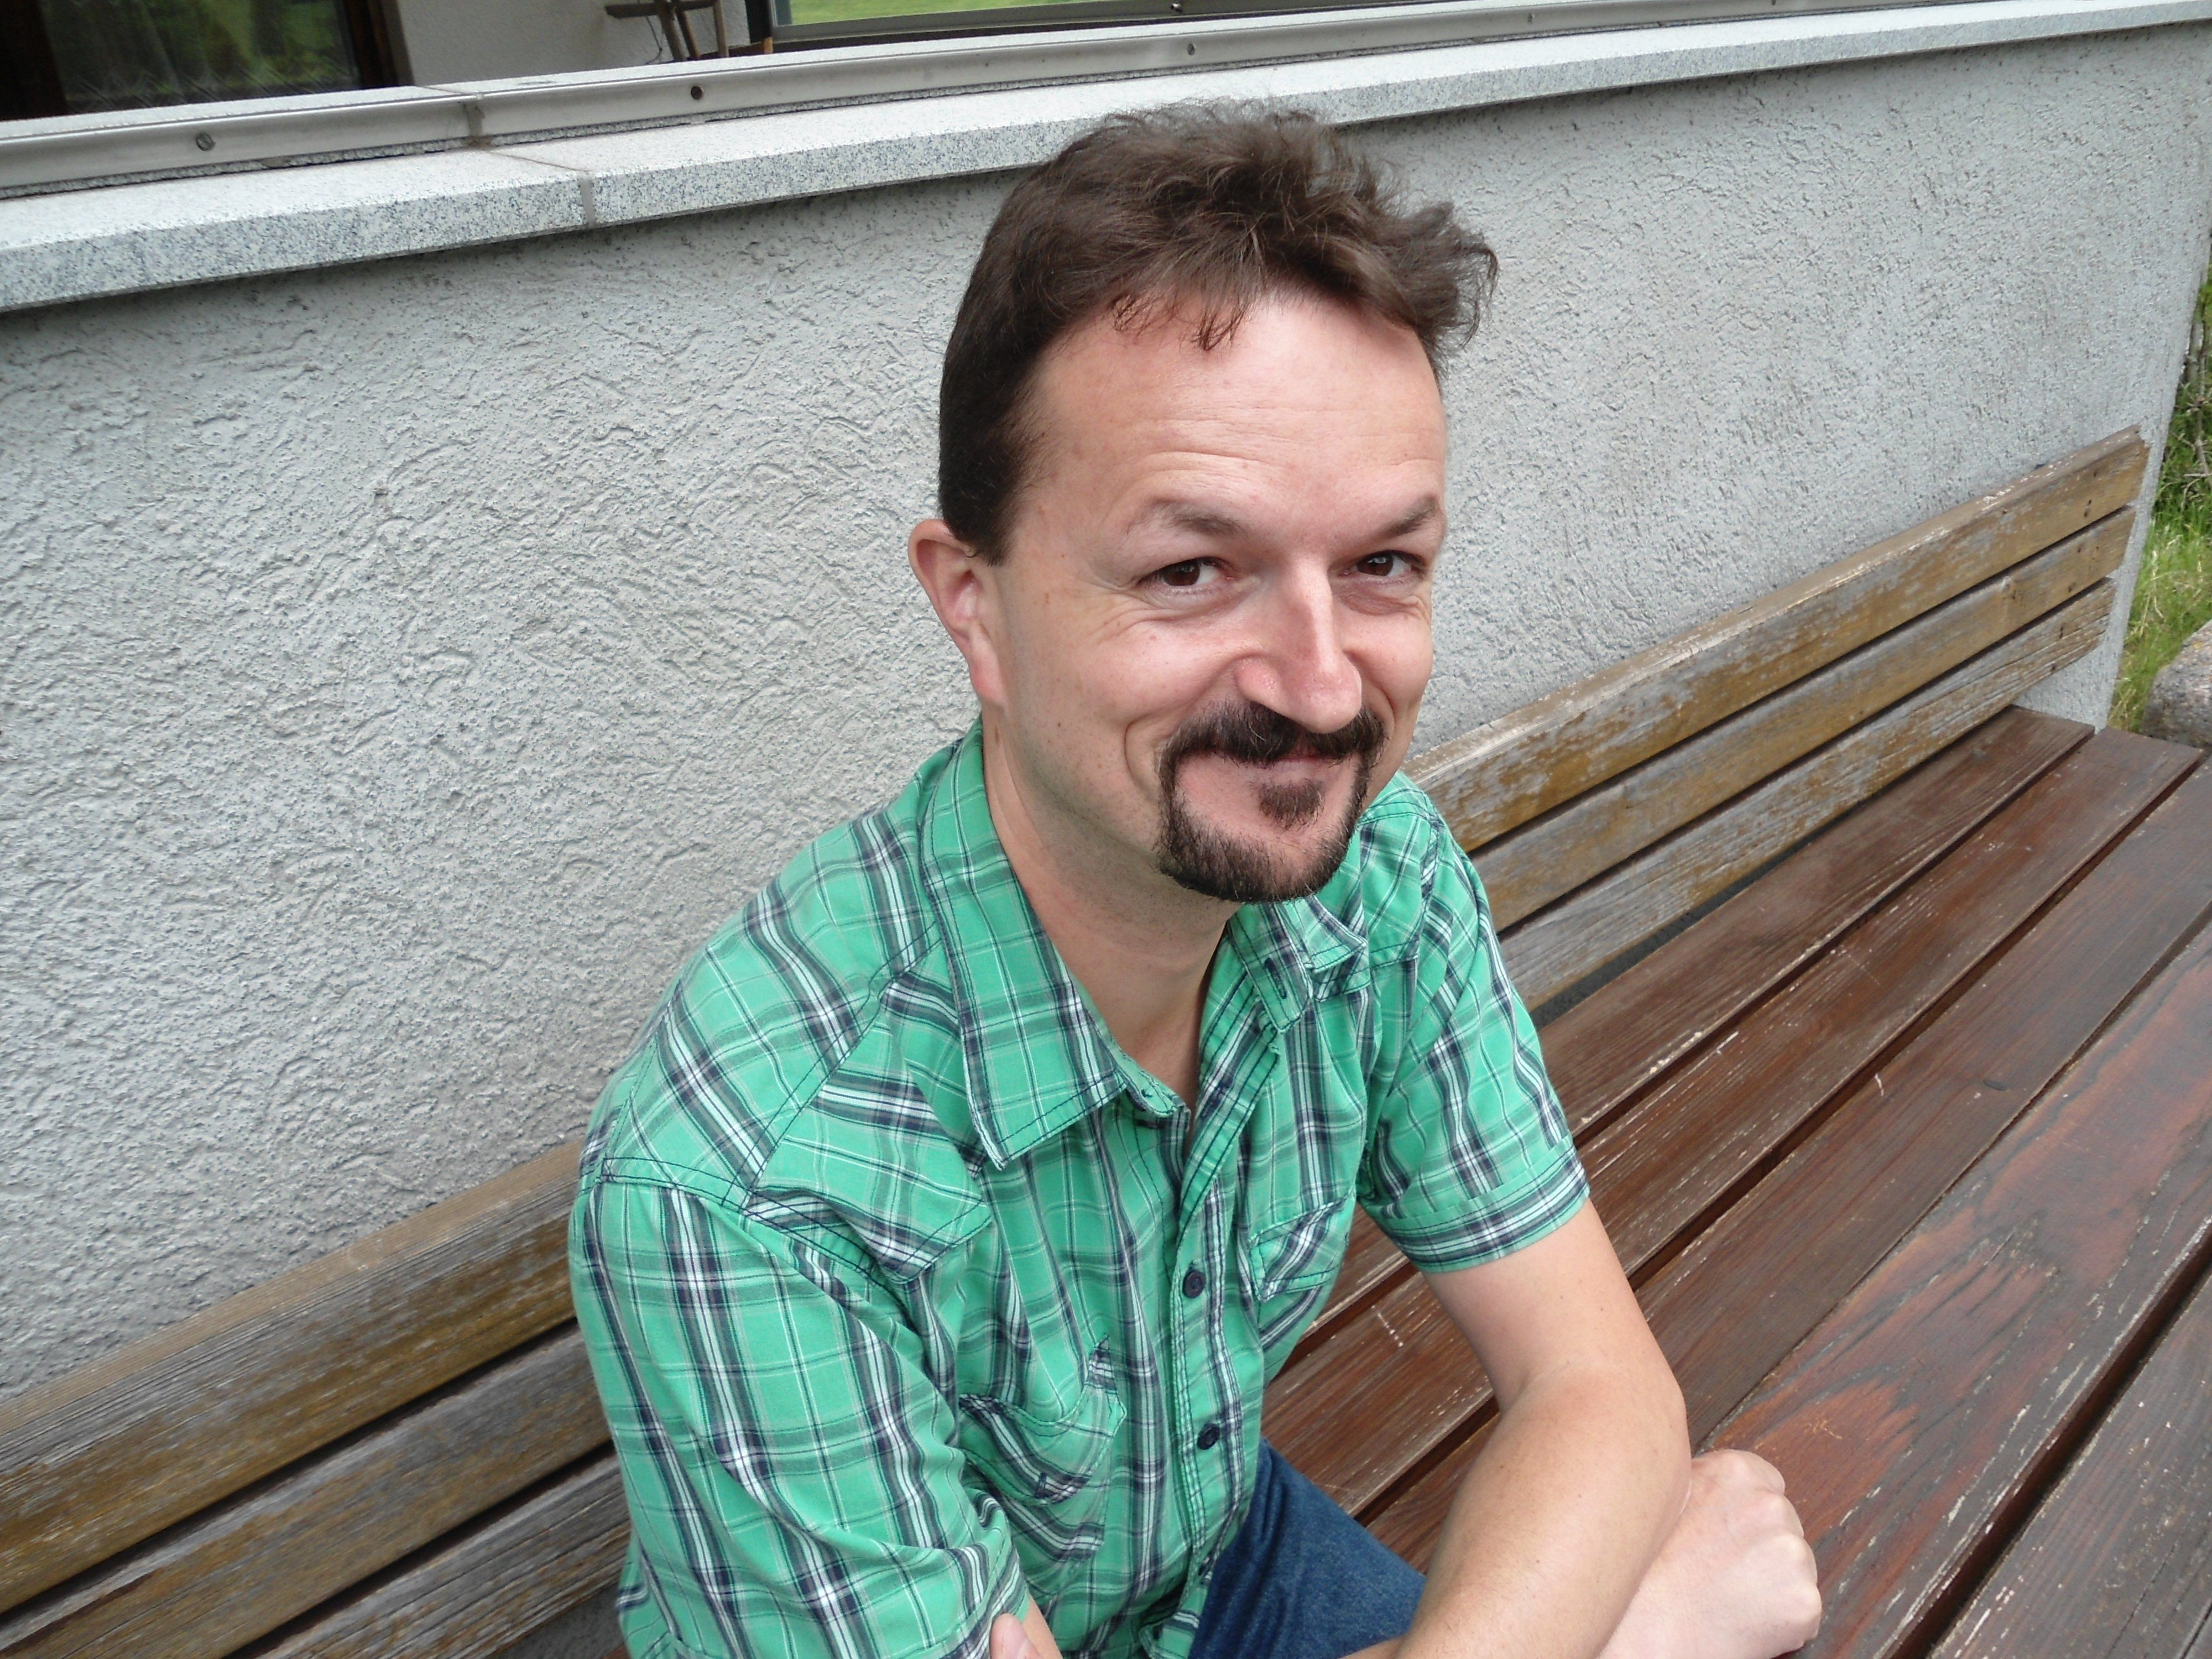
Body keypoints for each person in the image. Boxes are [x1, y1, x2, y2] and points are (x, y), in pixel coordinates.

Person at [569, 106, 1824, 1659]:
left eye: (1381, 565)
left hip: (1220, 1561)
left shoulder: (1376, 886)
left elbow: (1599, 1383)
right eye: (1191, 571)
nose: (1321, 686)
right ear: (974, 605)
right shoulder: (748, 1190)